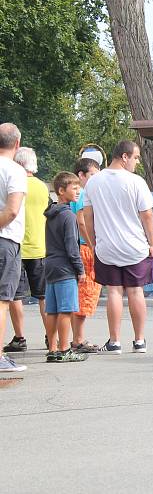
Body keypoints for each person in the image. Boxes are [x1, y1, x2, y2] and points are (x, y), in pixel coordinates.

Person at [83, 140, 153, 354]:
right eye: (135, 157)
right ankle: (139, 340)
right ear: (124, 156)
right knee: (135, 291)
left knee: (113, 292)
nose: (137, 162)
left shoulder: (93, 182)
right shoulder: (136, 182)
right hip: (135, 247)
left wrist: (93, 241)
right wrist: (152, 242)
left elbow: (87, 216)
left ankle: (114, 342)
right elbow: (147, 214)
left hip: (107, 248)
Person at [3, 148, 47, 354]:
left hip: (17, 244)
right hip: (40, 246)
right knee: (43, 296)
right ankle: (51, 336)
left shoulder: (14, 181)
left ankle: (20, 337)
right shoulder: (42, 187)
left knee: (15, 296)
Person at [43, 172, 87, 362]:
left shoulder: (51, 214)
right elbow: (72, 246)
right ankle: (63, 350)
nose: (78, 191)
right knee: (66, 309)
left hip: (50, 264)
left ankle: (52, 349)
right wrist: (80, 269)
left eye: (79, 187)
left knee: (52, 310)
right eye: (74, 188)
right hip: (64, 267)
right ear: (61, 191)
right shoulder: (68, 215)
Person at [0, 123, 27, 373]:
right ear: (17, 144)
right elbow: (12, 210)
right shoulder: (15, 171)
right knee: (2, 301)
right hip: (5, 240)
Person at [68, 157, 102, 353]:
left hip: (77, 247)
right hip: (85, 248)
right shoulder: (82, 194)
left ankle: (75, 338)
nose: (95, 179)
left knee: (79, 294)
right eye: (92, 175)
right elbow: (81, 222)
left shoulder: (78, 193)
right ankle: (78, 340)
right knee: (85, 294)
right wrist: (93, 244)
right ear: (81, 175)